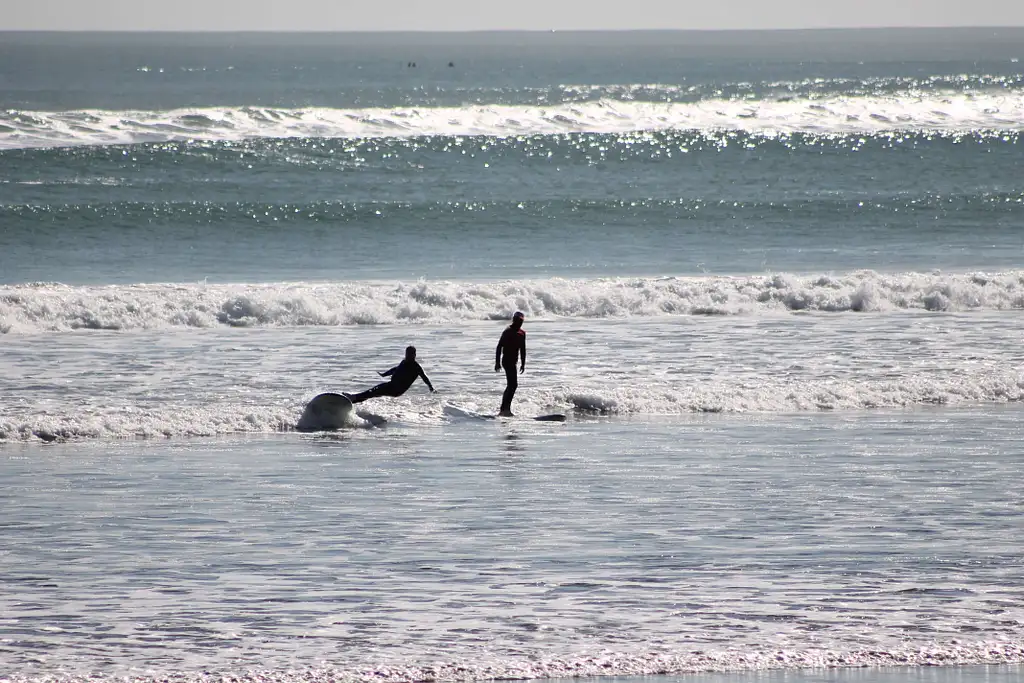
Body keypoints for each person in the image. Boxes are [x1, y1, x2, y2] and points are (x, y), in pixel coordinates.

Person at [347, 346, 435, 404]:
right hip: (391, 385)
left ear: (414, 355)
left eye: (410, 354)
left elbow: (424, 378)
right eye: (407, 354)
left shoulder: (416, 367)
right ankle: (352, 400)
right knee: (372, 392)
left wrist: (431, 388)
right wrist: (385, 374)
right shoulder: (404, 361)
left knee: (374, 391)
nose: (408, 356)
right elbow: (395, 369)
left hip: (396, 389)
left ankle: (353, 398)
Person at [494, 311, 526, 417]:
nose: (519, 323)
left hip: (514, 362)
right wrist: (497, 362)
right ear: (514, 320)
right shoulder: (507, 331)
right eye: (517, 321)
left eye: (521, 321)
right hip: (507, 361)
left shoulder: (522, 333)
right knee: (512, 385)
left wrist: (523, 363)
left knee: (512, 385)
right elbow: (499, 347)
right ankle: (504, 409)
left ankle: (505, 408)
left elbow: (523, 349)